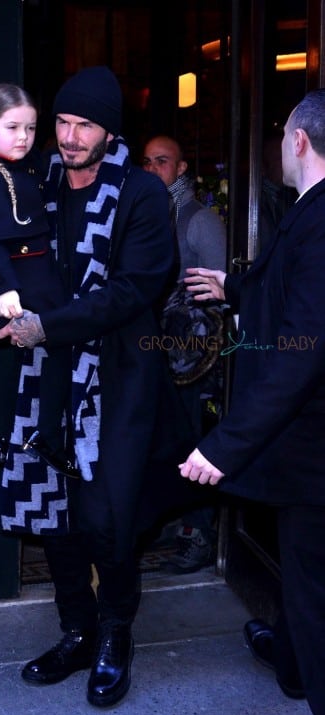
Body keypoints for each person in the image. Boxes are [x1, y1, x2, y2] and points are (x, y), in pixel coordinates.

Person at [0, 65, 193, 707]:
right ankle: (76, 632)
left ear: (110, 133)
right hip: (43, 377)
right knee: (55, 520)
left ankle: (115, 636)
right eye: (63, 122)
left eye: (86, 126)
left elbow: (134, 290)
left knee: (107, 521)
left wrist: (46, 324)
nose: (72, 136)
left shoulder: (140, 194)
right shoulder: (37, 183)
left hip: (115, 381)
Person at [179, 89, 325, 715]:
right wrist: (234, 287)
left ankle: (306, 669)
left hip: (313, 453)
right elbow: (295, 293)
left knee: (315, 594)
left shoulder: (319, 220)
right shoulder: (309, 215)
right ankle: (291, 663)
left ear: (298, 140)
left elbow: (304, 349)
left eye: (282, 138)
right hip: (307, 455)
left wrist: (223, 445)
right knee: (306, 581)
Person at [0, 82, 78, 478]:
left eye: (30, 128)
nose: (24, 138)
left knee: (56, 348)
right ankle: (24, 437)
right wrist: (3, 287)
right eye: (13, 127)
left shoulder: (24, 159)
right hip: (15, 281)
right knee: (46, 347)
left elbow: (47, 169)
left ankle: (31, 436)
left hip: (37, 272)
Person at [142, 135, 227, 573]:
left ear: (181, 169)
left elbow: (218, 293)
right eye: (148, 161)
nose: (153, 167)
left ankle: (199, 531)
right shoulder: (151, 214)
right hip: (158, 349)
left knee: (193, 438)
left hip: (191, 355)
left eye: (163, 161)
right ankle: (170, 519)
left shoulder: (199, 218)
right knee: (165, 439)